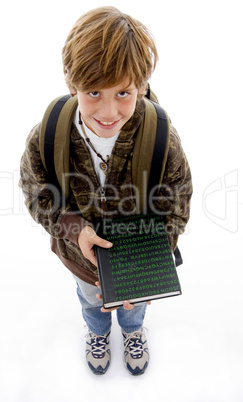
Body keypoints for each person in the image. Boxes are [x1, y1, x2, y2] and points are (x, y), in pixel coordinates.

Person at [19, 6, 192, 376]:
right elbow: (36, 191)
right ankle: (97, 333)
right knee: (90, 302)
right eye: (93, 91)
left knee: (135, 308)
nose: (109, 110)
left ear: (142, 86)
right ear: (72, 85)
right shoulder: (48, 134)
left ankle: (132, 333)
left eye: (124, 92)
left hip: (137, 264)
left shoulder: (162, 136)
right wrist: (72, 228)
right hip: (80, 261)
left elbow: (177, 202)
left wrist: (145, 268)